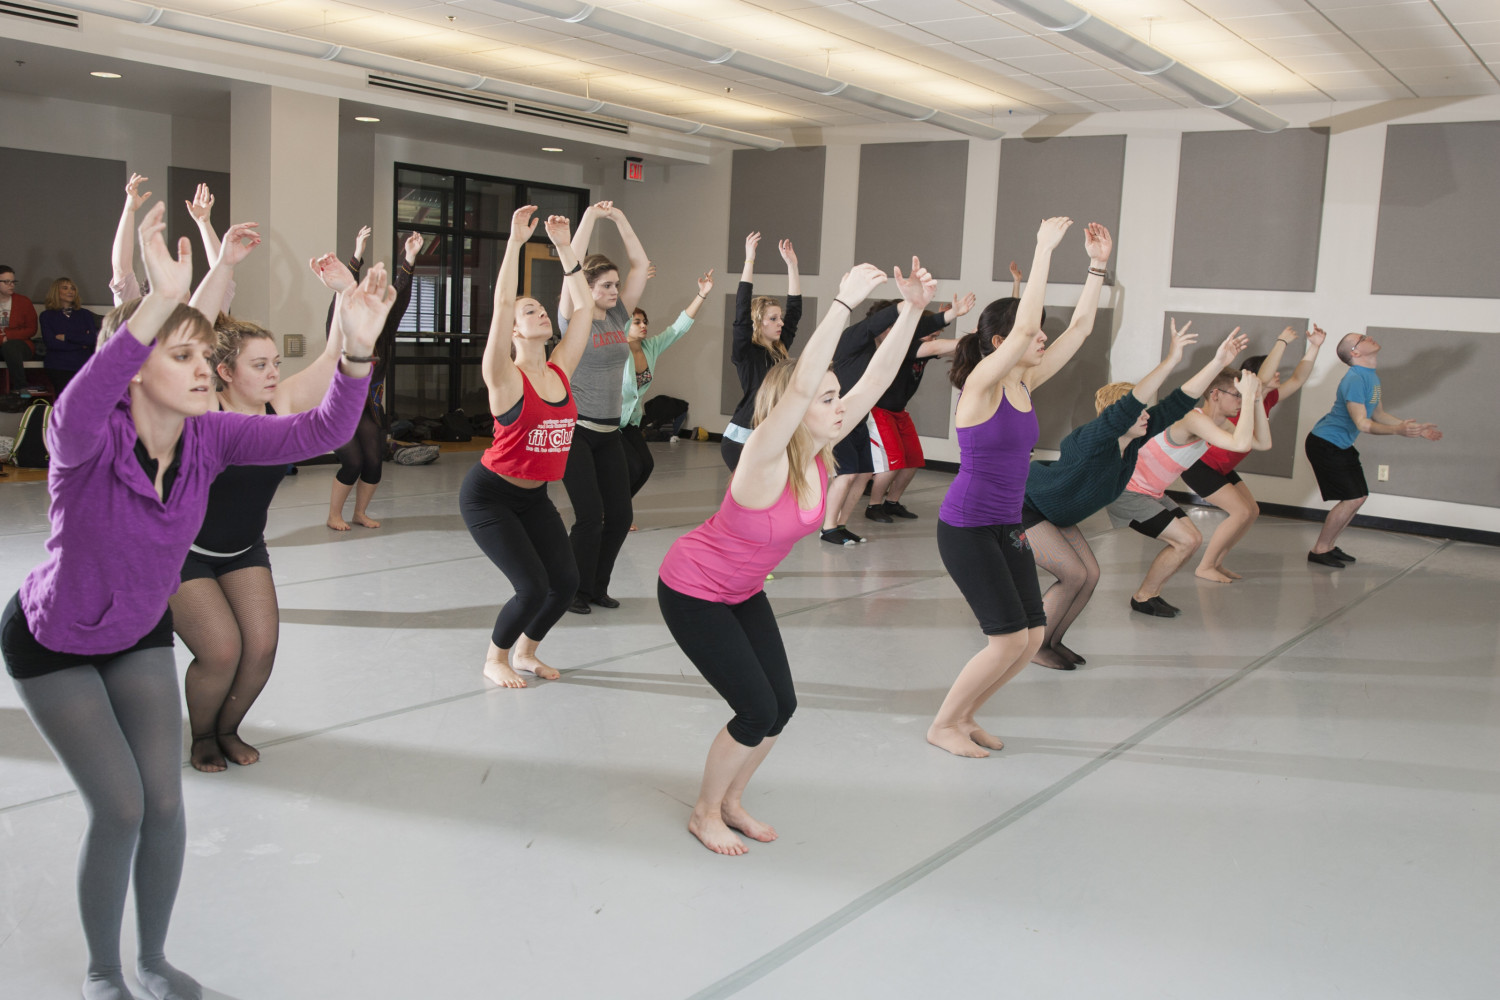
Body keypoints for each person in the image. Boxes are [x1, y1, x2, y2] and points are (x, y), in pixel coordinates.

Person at [1, 201, 392, 1000]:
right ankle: (104, 972)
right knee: (119, 809)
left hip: (138, 633)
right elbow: (85, 396)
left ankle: (153, 962)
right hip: (54, 642)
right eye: (182, 355)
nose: (204, 368)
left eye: (204, 357)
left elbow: (319, 432)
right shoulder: (83, 439)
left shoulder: (211, 437)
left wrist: (355, 351)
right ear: (135, 366)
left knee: (164, 803)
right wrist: (160, 302)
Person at [659, 257, 935, 855]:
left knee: (781, 707)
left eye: (837, 397)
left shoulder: (818, 449)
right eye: (826, 397)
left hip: (741, 590)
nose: (840, 405)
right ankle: (705, 812)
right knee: (754, 709)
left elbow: (877, 380)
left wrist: (912, 310)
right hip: (692, 590)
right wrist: (842, 303)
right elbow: (804, 383)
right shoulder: (763, 456)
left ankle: (732, 800)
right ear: (796, 403)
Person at [174, 232, 385, 773]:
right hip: (183, 553)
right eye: (260, 365)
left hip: (243, 548)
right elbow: (186, 338)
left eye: (274, 362)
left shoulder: (281, 403)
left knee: (261, 649)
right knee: (222, 650)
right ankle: (203, 735)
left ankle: (228, 728)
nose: (274, 373)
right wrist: (221, 262)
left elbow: (335, 358)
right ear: (224, 373)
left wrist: (345, 294)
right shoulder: (203, 413)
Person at [926, 218, 1111, 758]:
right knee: (1006, 638)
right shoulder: (981, 384)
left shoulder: (1025, 382)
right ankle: (943, 725)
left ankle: (966, 717)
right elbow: (1028, 321)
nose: (1043, 339)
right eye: (1034, 335)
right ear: (1001, 344)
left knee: (1030, 638)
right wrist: (1043, 250)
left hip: (1007, 525)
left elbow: (1081, 328)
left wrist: (1097, 266)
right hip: (967, 528)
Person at [1022, 323, 1245, 667]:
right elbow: (1132, 406)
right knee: (1074, 574)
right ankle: (1035, 647)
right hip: (1024, 505)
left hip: (1055, 513)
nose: (1146, 416)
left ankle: (1053, 640)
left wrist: (1217, 362)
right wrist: (1171, 359)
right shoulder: (1092, 440)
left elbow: (1177, 403)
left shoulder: (1133, 442)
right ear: (1117, 417)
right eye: (1138, 411)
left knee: (1090, 574)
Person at [462, 207, 592, 688]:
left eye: (541, 308)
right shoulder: (504, 377)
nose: (539, 312)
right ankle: (494, 658)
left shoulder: (560, 368)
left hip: (535, 496)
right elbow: (502, 304)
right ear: (515, 331)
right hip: (490, 497)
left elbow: (584, 310)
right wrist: (516, 242)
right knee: (532, 586)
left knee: (566, 584)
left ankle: (526, 652)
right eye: (529, 311)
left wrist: (564, 248)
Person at [1106, 343, 1264, 617]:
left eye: (1242, 397)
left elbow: (1261, 443)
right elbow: (1240, 444)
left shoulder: (1218, 423)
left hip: (1152, 492)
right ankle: (1143, 597)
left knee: (1192, 539)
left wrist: (1257, 400)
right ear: (1215, 394)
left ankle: (1150, 594)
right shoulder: (1193, 419)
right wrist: (1249, 398)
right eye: (1236, 395)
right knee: (1186, 541)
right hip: (1128, 490)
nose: (1240, 401)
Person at [555, 201, 650, 613]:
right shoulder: (574, 318)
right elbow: (570, 265)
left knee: (620, 516)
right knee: (589, 517)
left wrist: (620, 218)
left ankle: (596, 587)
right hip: (577, 431)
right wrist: (590, 217)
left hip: (610, 434)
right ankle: (572, 591)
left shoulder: (618, 316)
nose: (614, 291)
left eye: (616, 285)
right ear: (587, 287)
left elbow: (640, 264)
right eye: (606, 285)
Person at [819, 294, 974, 543]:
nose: (898, 331)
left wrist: (950, 315)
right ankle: (828, 529)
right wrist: (910, 300)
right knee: (845, 475)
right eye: (893, 325)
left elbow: (920, 331)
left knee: (862, 474)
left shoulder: (888, 348)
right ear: (882, 323)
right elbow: (881, 324)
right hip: (837, 418)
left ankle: (840, 525)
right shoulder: (856, 337)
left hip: (859, 418)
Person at [1183, 324, 1325, 582]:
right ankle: (1204, 566)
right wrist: (1281, 341)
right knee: (1240, 512)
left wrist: (1314, 347)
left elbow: (1298, 379)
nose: (1277, 375)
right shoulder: (1240, 399)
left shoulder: (1266, 399)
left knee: (1252, 511)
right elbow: (1263, 376)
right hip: (1201, 465)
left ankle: (1216, 563)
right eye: (1272, 371)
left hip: (1223, 467)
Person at [1304, 331, 1441, 566]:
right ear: (1355, 353)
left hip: (1340, 444)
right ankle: (1319, 550)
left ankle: (1328, 546)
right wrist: (1398, 431)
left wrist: (1412, 428)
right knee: (1353, 498)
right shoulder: (1355, 379)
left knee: (1359, 497)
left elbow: (1378, 414)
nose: (1369, 338)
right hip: (1325, 444)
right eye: (1362, 339)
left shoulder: (1371, 376)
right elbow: (1363, 424)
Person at [325, 227, 422, 530]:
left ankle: (360, 513)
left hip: (367, 407)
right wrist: (356, 255)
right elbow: (342, 294)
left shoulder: (383, 329)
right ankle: (333, 515)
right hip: (338, 406)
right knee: (352, 462)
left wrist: (409, 257)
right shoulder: (341, 324)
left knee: (374, 461)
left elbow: (400, 296)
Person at [863, 296, 974, 522]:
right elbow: (938, 346)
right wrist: (975, 336)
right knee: (892, 462)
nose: (934, 338)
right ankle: (873, 506)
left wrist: (964, 331)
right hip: (879, 411)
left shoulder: (924, 346)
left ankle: (892, 502)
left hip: (899, 412)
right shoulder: (905, 346)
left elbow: (947, 347)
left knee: (913, 460)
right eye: (931, 334)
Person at [620, 268, 714, 498]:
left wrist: (701, 294)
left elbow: (678, 328)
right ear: (625, 324)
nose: (644, 325)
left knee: (645, 466)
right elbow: (616, 313)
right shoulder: (615, 350)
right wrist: (637, 283)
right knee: (630, 467)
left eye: (645, 321)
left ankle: (617, 508)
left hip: (631, 421)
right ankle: (612, 509)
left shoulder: (651, 347)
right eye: (637, 322)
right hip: (610, 423)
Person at [721, 232, 803, 471]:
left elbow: (795, 311)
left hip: (770, 434)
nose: (781, 323)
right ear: (758, 322)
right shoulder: (745, 352)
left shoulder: (780, 348)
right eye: (773, 318)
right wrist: (749, 260)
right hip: (741, 439)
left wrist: (792, 266)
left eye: (780, 318)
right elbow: (741, 312)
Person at [38, 277, 102, 395]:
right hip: (58, 365)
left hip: (83, 365)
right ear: (56, 292)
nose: (70, 291)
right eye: (65, 288)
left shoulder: (85, 314)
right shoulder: (46, 316)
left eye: (72, 288)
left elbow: (92, 339)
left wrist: (66, 337)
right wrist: (81, 344)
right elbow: (51, 343)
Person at [1, 264, 39, 394]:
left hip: (21, 345)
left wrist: (8, 336)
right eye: (6, 282)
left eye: (13, 282)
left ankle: (21, 387)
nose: (11, 285)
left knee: (10, 347)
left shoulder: (23, 302)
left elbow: (31, 329)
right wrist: (2, 339)